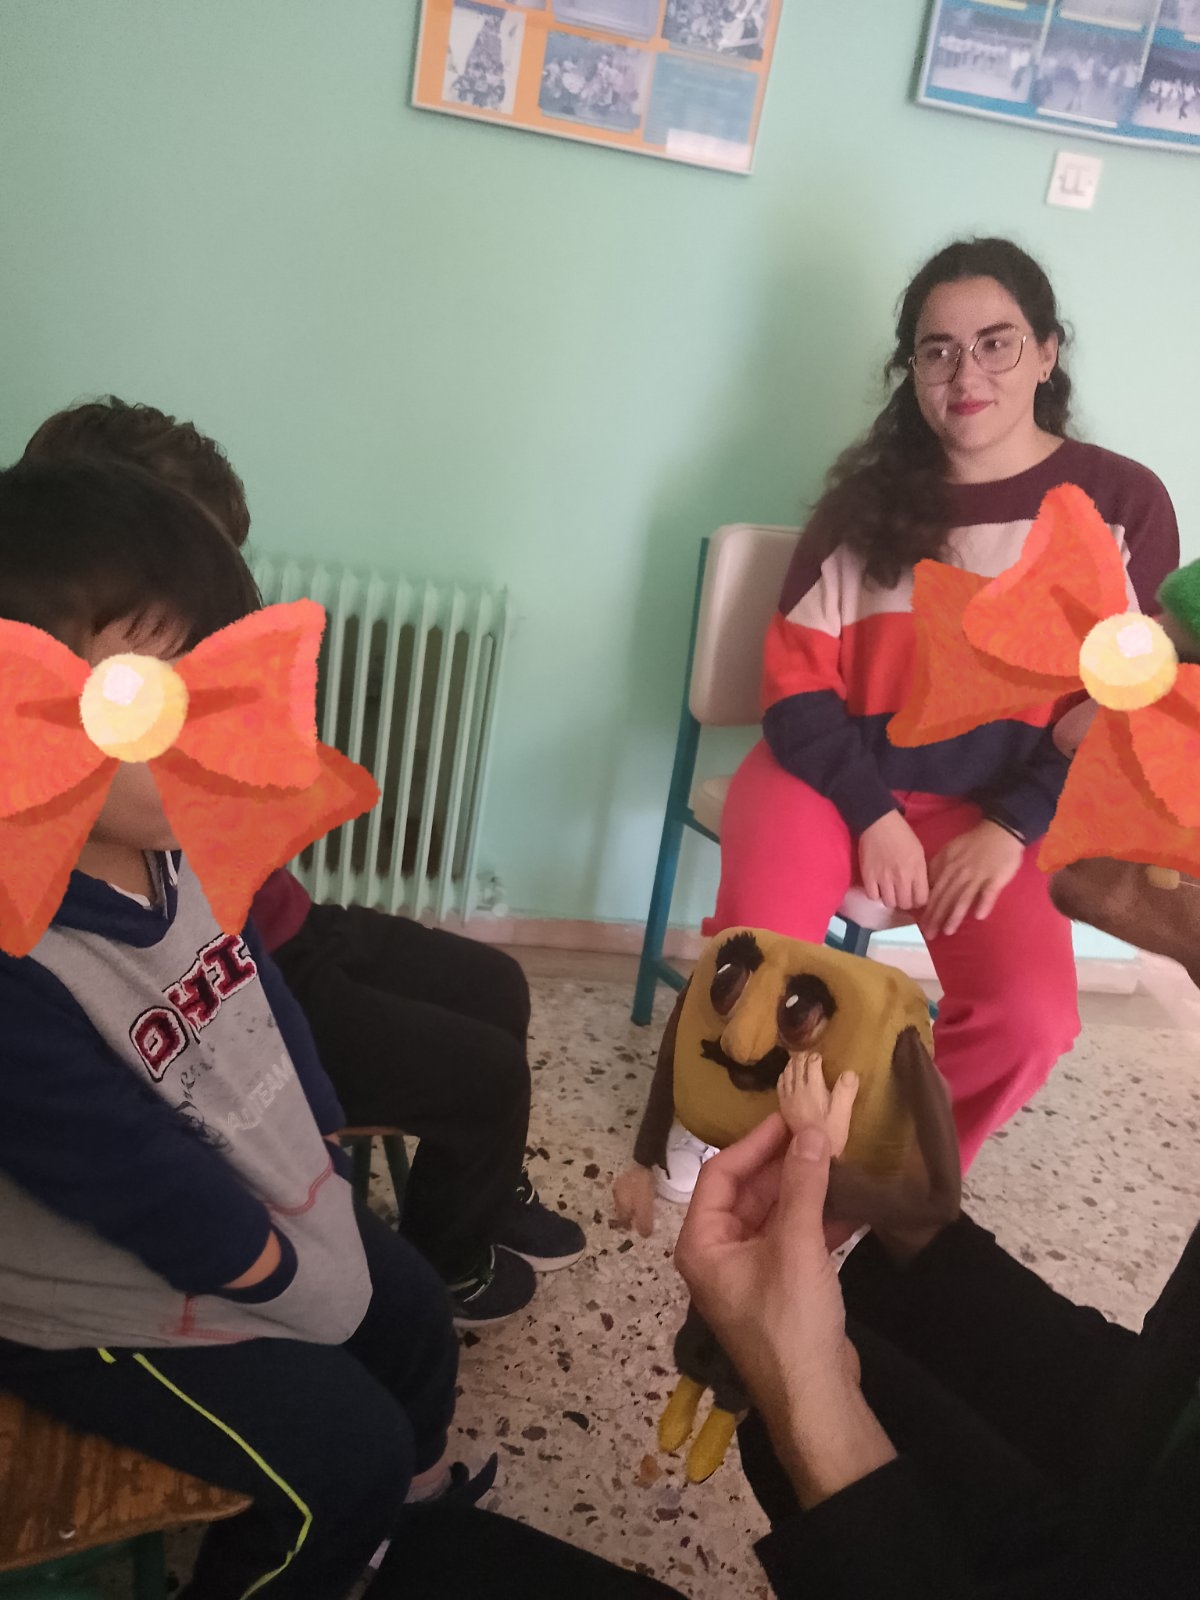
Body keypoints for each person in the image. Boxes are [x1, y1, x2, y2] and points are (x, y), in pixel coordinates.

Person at [0, 458, 472, 1600]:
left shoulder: (175, 848)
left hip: (233, 1214)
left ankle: (408, 1532)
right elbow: (133, 1179)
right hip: (89, 1300)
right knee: (340, 1463)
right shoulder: (21, 959)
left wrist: (319, 1149)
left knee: (415, 1313)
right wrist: (279, 1270)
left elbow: (261, 997)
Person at [22, 396, 587, 1328]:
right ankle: (448, 1266)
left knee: (497, 982)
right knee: (483, 1073)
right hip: (231, 981)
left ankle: (479, 1190)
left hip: (285, 924)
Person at [706, 237, 1180, 1171]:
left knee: (1030, 1018)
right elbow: (794, 690)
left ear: (1047, 352)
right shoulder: (861, 506)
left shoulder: (1123, 503)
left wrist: (1012, 825)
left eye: (996, 342)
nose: (966, 374)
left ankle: (883, 1172)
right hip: (828, 778)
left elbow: (1127, 710)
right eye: (938, 350)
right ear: (912, 371)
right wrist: (871, 813)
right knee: (758, 966)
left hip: (1001, 810)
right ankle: (729, 1139)